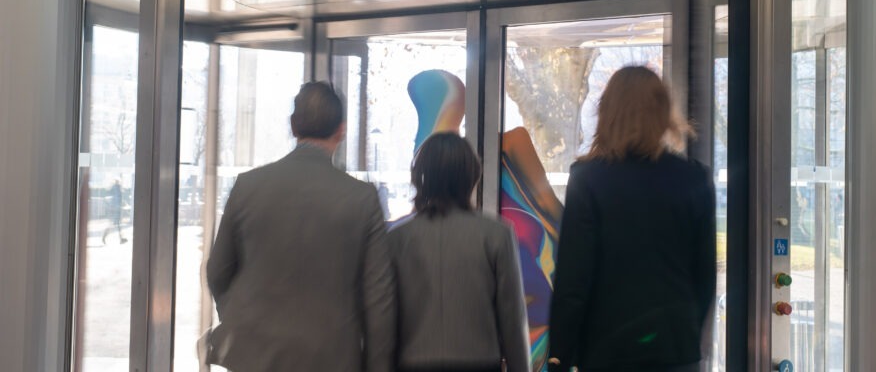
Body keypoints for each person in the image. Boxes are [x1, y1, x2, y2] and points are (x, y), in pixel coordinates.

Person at [206, 82, 396, 372]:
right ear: (341, 130)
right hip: (332, 359)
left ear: (293, 126)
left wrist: (242, 318)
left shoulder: (247, 187)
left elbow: (218, 271)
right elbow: (379, 299)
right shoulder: (362, 198)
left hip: (255, 357)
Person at [547, 66, 716, 372]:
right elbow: (704, 274)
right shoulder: (694, 177)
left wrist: (559, 357)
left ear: (608, 113)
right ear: (662, 113)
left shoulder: (588, 178)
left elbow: (573, 279)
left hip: (606, 351)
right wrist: (690, 335)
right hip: (675, 349)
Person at [388, 132, 530, 372]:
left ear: (421, 177)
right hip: (480, 363)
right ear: (471, 176)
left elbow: (385, 317)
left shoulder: (396, 238)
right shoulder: (497, 234)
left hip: (413, 363)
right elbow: (512, 318)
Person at [102, 178, 127, 244]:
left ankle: (120, 239)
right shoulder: (117, 188)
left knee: (116, 224)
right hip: (116, 209)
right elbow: (117, 199)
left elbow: (108, 194)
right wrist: (119, 206)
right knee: (114, 224)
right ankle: (105, 237)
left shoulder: (114, 188)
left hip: (114, 208)